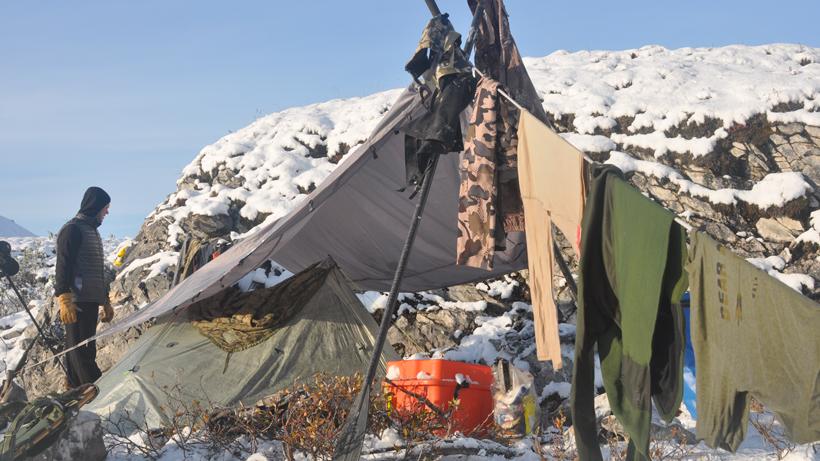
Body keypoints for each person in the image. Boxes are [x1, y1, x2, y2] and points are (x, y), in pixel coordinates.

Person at [54, 186, 115, 387]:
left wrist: (104, 300)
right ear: (95, 206)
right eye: (105, 207)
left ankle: (78, 388)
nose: (107, 212)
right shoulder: (72, 229)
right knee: (79, 350)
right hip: (76, 301)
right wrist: (63, 297)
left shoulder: (90, 231)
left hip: (89, 299)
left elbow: (94, 271)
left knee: (84, 348)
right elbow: (63, 265)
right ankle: (92, 390)